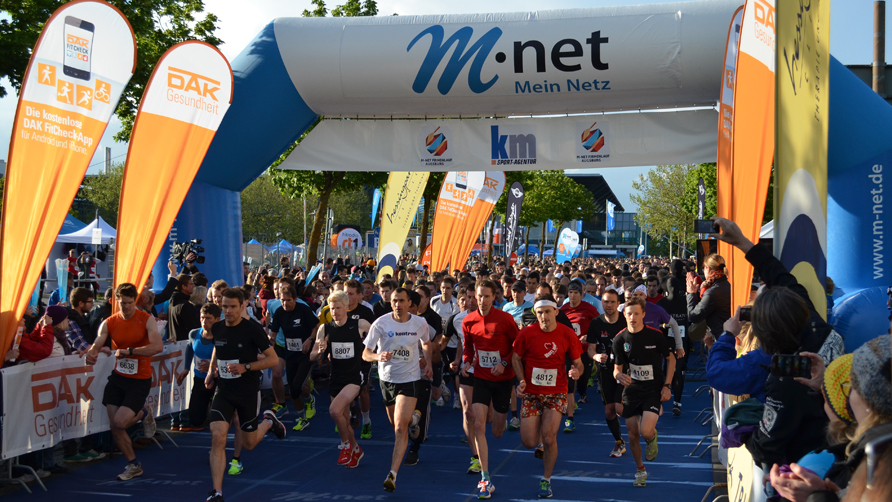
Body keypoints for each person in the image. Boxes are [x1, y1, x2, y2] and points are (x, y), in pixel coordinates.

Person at [204, 288, 286, 502]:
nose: (228, 311)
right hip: (224, 391)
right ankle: (217, 492)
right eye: (224, 307)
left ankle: (268, 421)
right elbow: (217, 349)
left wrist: (246, 366)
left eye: (233, 307)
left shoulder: (252, 329)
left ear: (242, 306)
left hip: (247, 391)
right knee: (217, 436)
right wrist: (212, 371)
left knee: (248, 444)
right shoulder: (218, 327)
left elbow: (273, 360)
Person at [84, 283, 164, 481]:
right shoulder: (109, 322)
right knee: (115, 425)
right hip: (118, 377)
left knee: (120, 421)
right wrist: (92, 353)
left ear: (134, 301)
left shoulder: (146, 319)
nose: (126, 307)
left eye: (129, 303)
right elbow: (98, 341)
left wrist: (130, 351)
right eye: (122, 303)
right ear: (115, 301)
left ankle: (144, 412)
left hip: (139, 380)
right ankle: (134, 464)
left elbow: (158, 347)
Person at [362, 287, 433, 492]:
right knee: (397, 424)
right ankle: (415, 418)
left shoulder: (419, 322)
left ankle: (392, 474)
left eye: (401, 301)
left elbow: (426, 343)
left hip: (410, 378)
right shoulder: (381, 323)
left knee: (400, 427)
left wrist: (427, 362)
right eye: (394, 301)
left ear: (409, 303)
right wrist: (378, 357)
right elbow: (366, 353)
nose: (397, 305)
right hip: (387, 379)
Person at [512, 294, 583, 498]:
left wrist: (577, 371)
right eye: (540, 313)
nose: (544, 316)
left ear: (556, 312)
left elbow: (579, 362)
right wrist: (521, 381)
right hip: (532, 394)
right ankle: (540, 439)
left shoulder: (567, 334)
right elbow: (515, 358)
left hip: (556, 392)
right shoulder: (526, 333)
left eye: (547, 312)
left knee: (550, 437)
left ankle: (546, 480)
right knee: (528, 442)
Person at [462, 280, 520, 499]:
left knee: (496, 432)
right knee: (477, 424)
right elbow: (468, 347)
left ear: (494, 297)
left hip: (504, 379)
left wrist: (504, 363)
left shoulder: (505, 319)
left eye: (486, 296)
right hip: (482, 378)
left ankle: (501, 416)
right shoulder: (468, 321)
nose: (482, 301)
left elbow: (517, 346)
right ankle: (485, 479)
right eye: (479, 296)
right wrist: (467, 362)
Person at [612, 295, 675, 487]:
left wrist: (667, 385)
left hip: (653, 389)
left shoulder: (656, 336)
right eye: (629, 314)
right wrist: (618, 376)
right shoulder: (620, 339)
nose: (633, 317)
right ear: (624, 314)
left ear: (643, 315)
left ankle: (652, 437)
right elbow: (617, 368)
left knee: (645, 431)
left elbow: (671, 359)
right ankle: (640, 470)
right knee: (632, 434)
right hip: (632, 390)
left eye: (636, 314)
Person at [311, 290, 366, 468]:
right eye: (332, 308)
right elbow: (312, 356)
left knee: (334, 411)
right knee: (343, 419)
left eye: (338, 308)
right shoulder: (325, 328)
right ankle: (356, 449)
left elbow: (378, 333)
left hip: (354, 378)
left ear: (347, 308)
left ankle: (344, 446)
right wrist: (319, 350)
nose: (334, 312)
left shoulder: (359, 324)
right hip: (335, 378)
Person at [268, 284, 319, 431]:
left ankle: (309, 401)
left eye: (288, 300)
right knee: (293, 389)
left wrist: (309, 339)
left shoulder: (303, 310)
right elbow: (274, 332)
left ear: (295, 299)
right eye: (283, 300)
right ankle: (302, 416)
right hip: (290, 353)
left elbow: (316, 327)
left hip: (305, 355)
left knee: (297, 387)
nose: (285, 303)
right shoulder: (278, 312)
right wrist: (270, 341)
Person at [588, 289, 628, 457]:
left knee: (621, 409)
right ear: (601, 303)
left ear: (618, 304)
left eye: (612, 302)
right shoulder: (596, 323)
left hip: (626, 371)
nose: (609, 305)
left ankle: (645, 425)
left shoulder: (626, 321)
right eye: (606, 301)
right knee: (609, 411)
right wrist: (596, 356)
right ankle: (619, 441)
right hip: (605, 372)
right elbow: (590, 349)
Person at [559, 280, 599, 433]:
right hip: (569, 352)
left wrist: (589, 336)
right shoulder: (563, 310)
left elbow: (598, 325)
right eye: (570, 293)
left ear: (582, 294)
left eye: (576, 293)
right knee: (569, 383)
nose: (573, 296)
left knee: (582, 383)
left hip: (584, 351)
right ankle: (570, 418)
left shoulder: (589, 309)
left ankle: (583, 389)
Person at [176, 303, 220, 433]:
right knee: (195, 420)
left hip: (219, 380)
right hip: (200, 378)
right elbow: (189, 348)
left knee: (220, 419)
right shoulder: (194, 334)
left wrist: (213, 368)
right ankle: (205, 412)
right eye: (202, 317)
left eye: (208, 318)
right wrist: (186, 368)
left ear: (217, 320)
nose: (204, 321)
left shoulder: (222, 337)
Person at [686, 253, 731, 338]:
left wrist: (691, 294)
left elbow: (694, 316)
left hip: (719, 337)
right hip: (726, 334)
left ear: (708, 269)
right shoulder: (726, 284)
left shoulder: (712, 292)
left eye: (704, 268)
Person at [169, 274, 200, 343]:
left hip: (173, 344)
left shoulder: (171, 303)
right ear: (184, 286)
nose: (194, 286)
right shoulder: (185, 306)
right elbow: (193, 329)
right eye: (191, 284)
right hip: (185, 345)